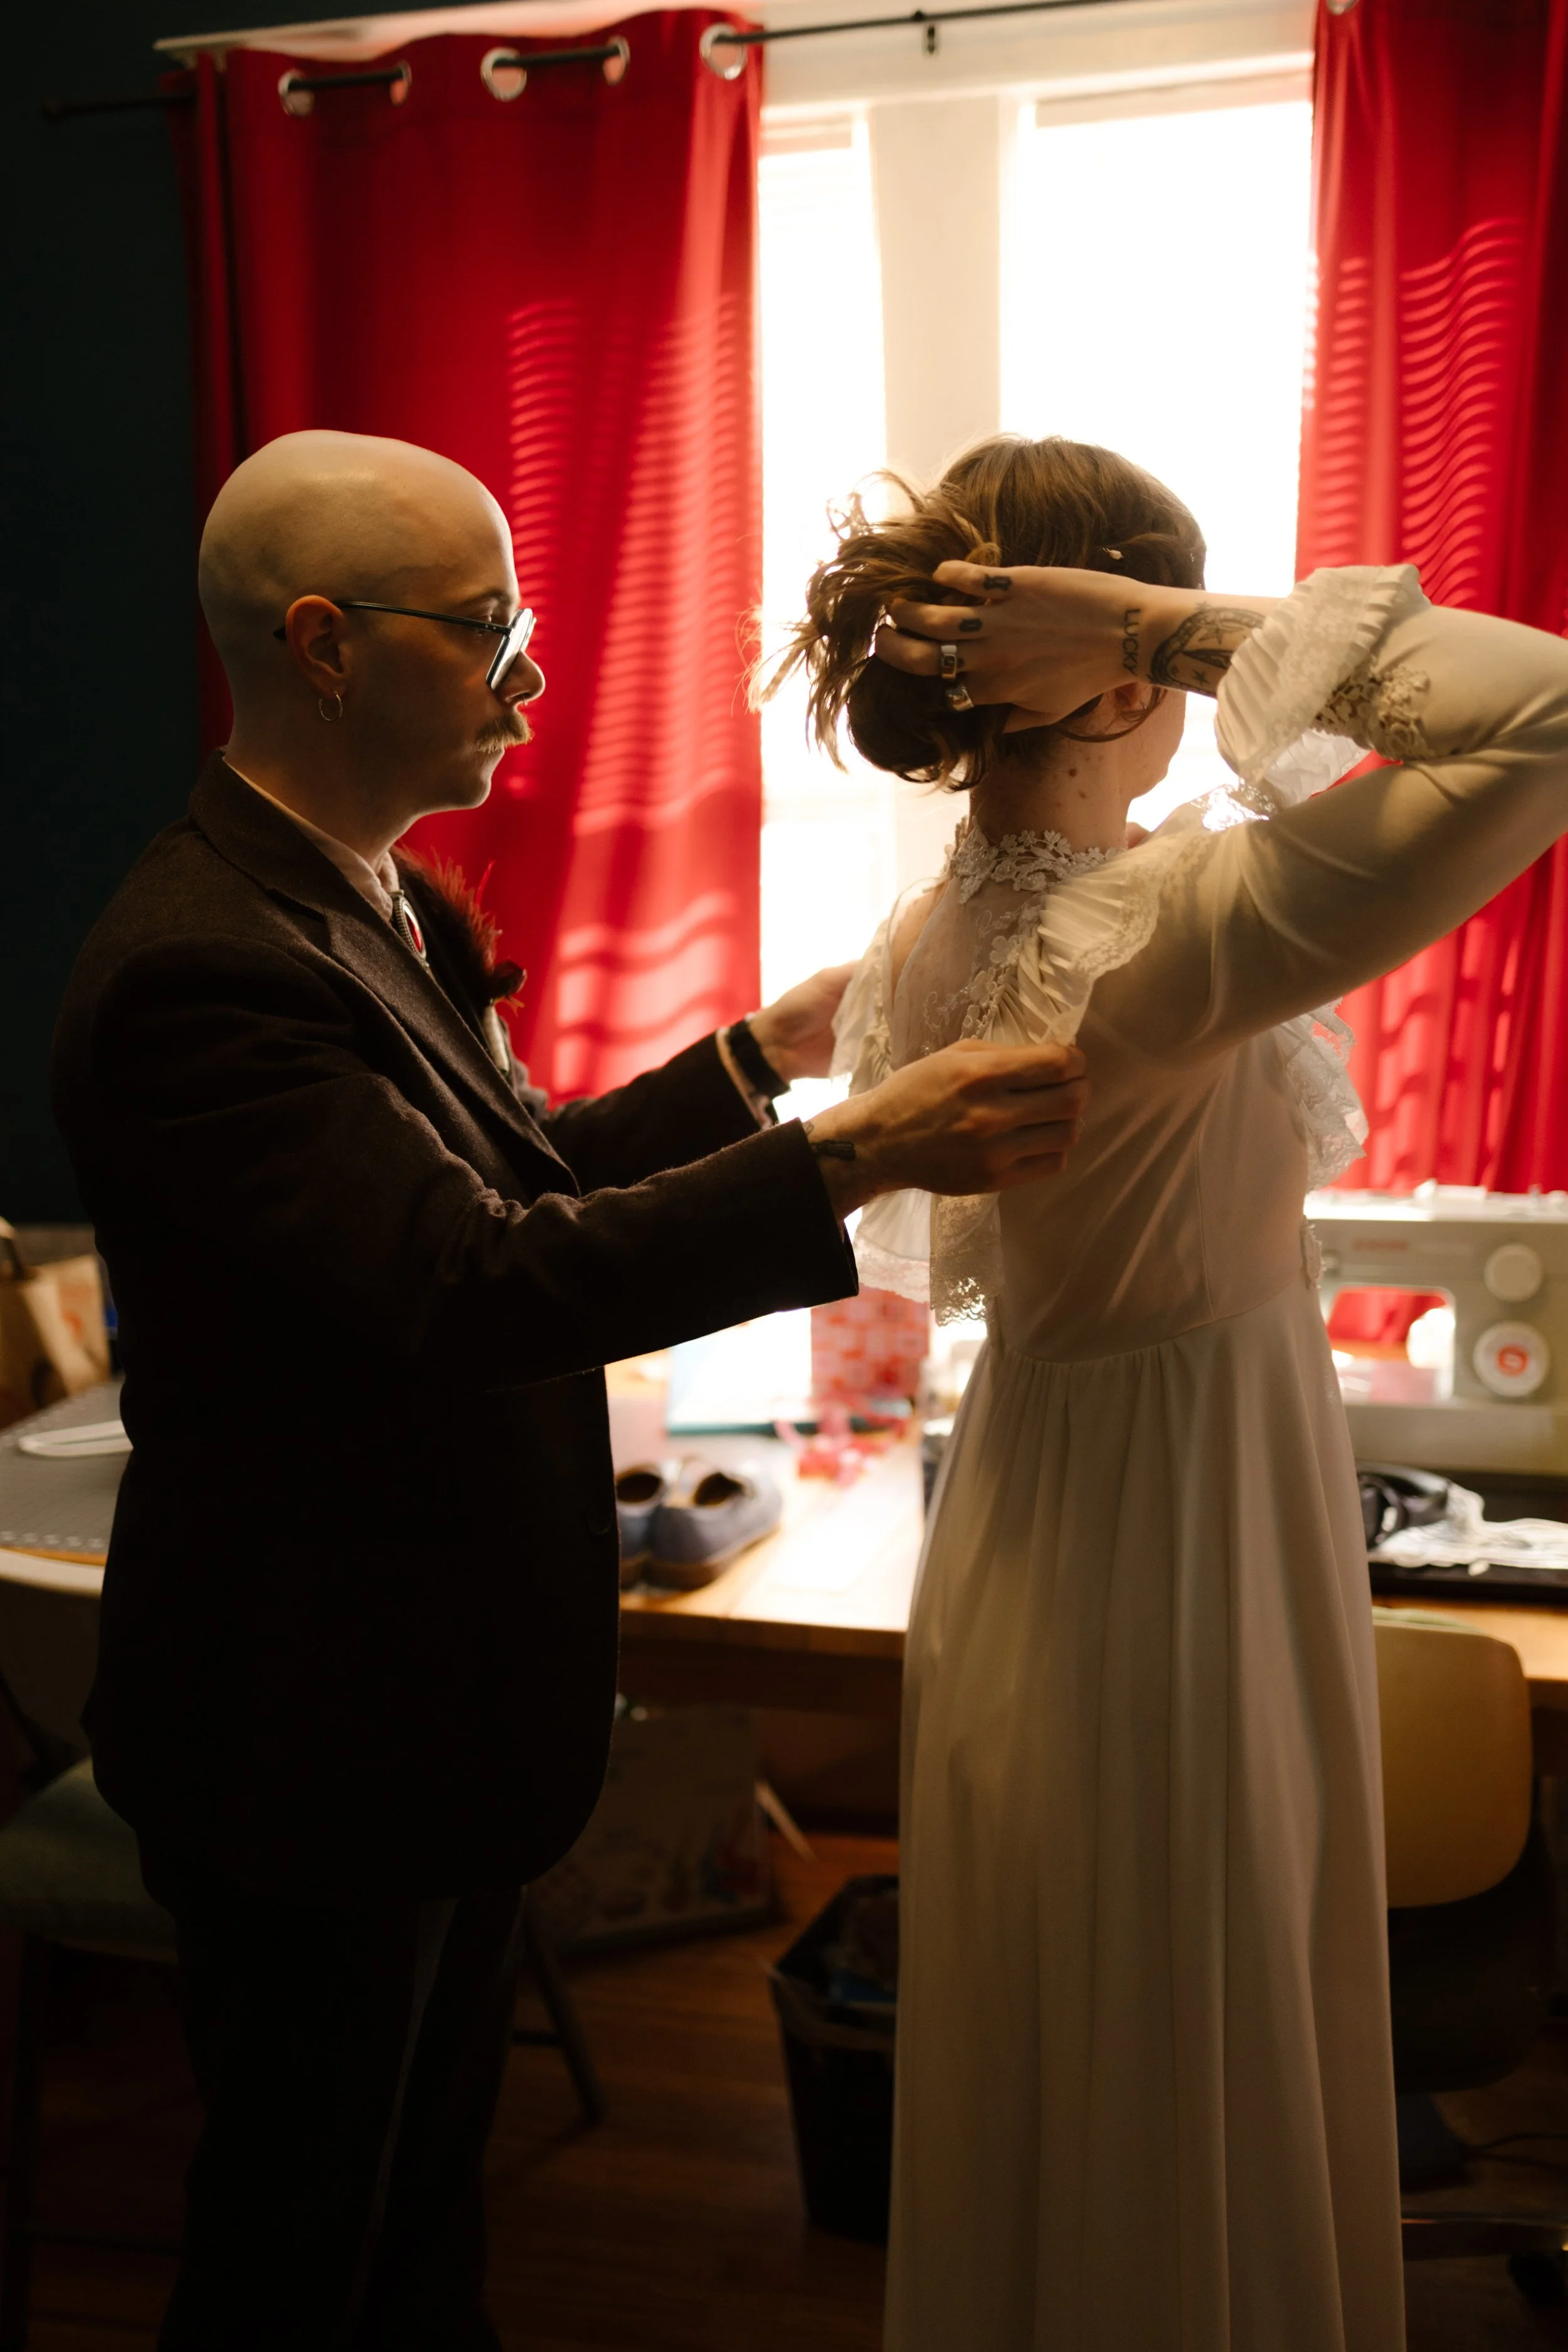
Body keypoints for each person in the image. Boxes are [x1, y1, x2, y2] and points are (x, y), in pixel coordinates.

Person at [50, 428, 1091, 2350]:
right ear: (322, 643)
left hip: (426, 1709)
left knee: (418, 2222)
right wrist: (853, 1152)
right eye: (489, 629)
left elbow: (517, 1178)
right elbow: (470, 1287)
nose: (533, 677)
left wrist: (758, 1061)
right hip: (306, 1732)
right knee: (299, 2248)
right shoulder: (198, 973)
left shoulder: (381, 900)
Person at [776, 431, 1568, 2352]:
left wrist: (1143, 637)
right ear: (1130, 676)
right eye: (1167, 648)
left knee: (1083, 2020)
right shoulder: (1167, 928)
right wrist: (1170, 618)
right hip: (1178, 1535)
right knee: (1185, 1992)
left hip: (1049, 1504)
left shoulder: (936, 933)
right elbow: (1540, 711)